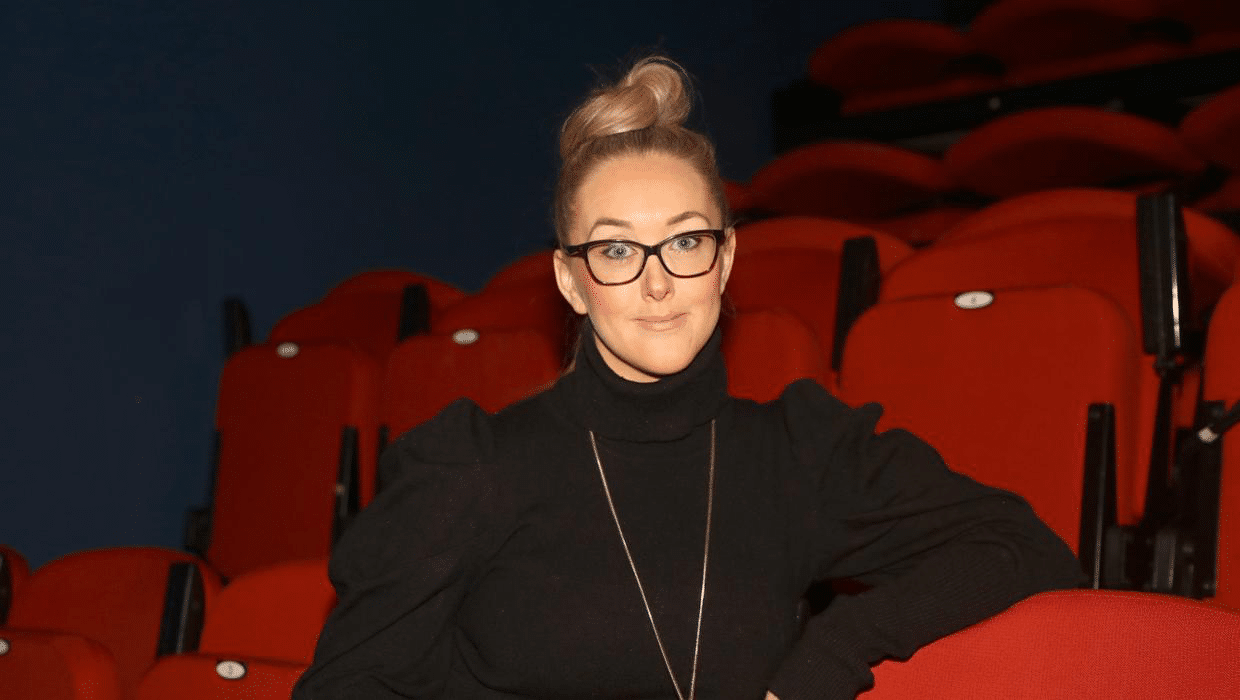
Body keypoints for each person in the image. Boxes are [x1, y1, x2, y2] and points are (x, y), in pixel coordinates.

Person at [292, 56, 1083, 700]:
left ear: (726, 259)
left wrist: (826, 658)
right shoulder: (472, 471)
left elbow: (1024, 548)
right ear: (570, 282)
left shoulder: (799, 455)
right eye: (614, 250)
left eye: (685, 242)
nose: (658, 282)